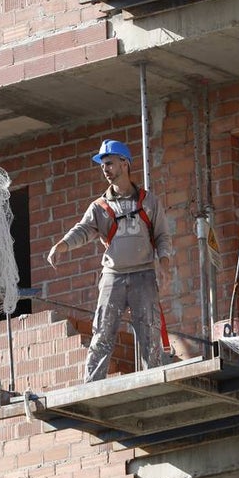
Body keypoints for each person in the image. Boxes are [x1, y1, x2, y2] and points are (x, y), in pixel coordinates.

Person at [46, 138, 173, 382]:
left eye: (110, 163)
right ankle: (92, 384)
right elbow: (83, 229)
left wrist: (164, 266)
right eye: (102, 165)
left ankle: (154, 380)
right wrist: (62, 244)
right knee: (102, 332)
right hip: (113, 277)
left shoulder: (148, 202)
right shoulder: (100, 207)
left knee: (149, 332)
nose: (105, 169)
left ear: (125, 163)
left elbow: (162, 237)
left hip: (144, 275)